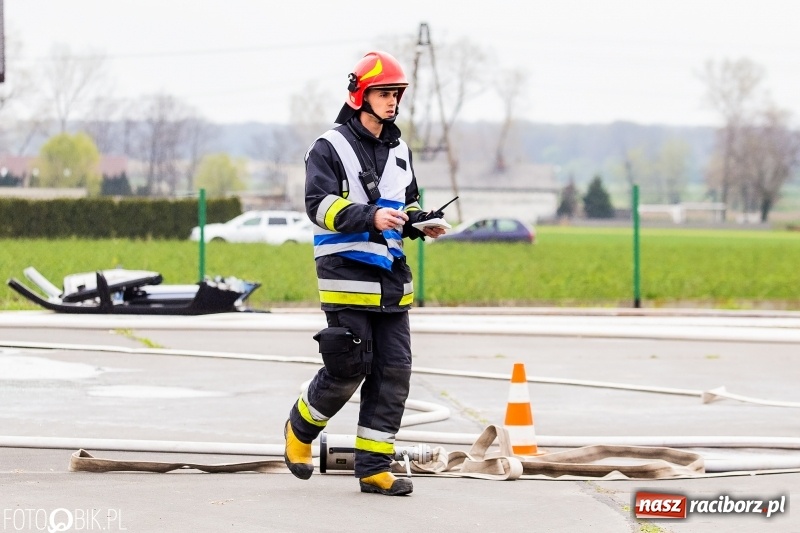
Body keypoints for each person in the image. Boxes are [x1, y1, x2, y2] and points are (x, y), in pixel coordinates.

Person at [283, 50, 446, 496]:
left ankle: (374, 467)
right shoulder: (328, 148)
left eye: (396, 93)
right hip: (346, 275)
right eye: (384, 93)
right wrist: (368, 216)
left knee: (394, 372)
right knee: (348, 368)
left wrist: (419, 221)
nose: (392, 101)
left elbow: (406, 203)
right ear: (360, 95)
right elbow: (318, 206)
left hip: (391, 279)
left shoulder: (401, 151)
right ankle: (298, 432)